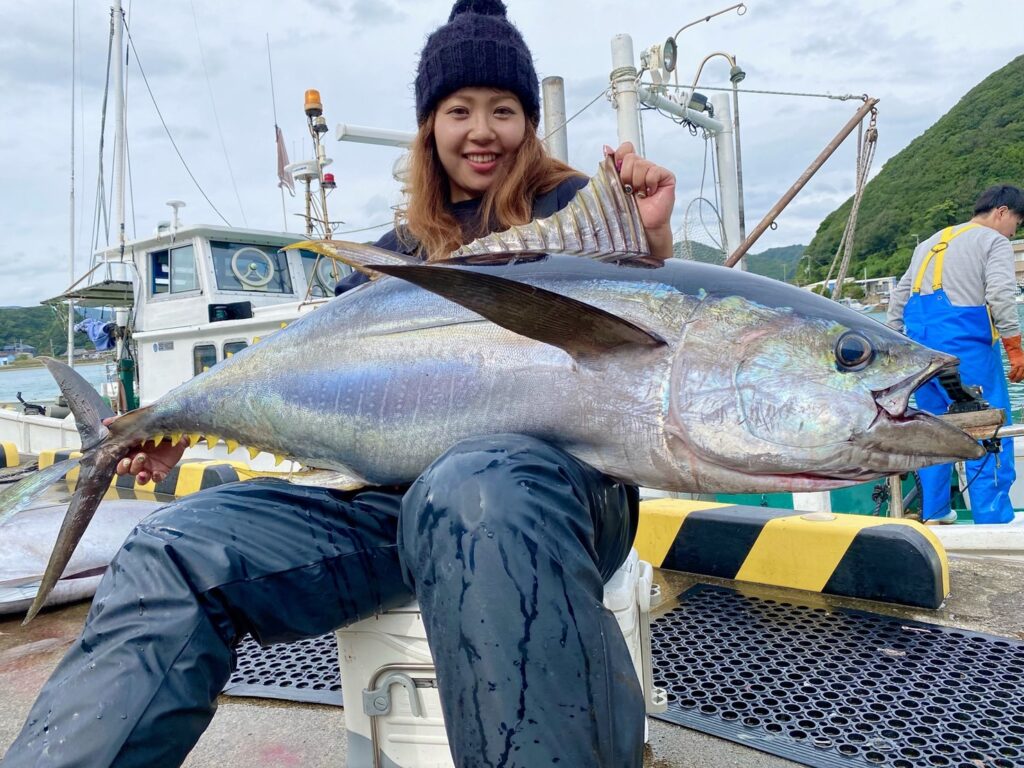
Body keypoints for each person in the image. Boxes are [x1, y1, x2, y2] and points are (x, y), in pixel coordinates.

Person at [3, 1, 676, 766]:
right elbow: (321, 381)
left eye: (504, 110)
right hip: (395, 503)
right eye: (460, 110)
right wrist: (180, 421)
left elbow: (651, 351)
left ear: (529, 123)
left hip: (555, 502)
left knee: (474, 482)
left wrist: (649, 245)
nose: (482, 130)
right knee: (174, 545)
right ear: (431, 125)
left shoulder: (579, 213)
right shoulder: (395, 253)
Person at [887, 185, 1024, 525]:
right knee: (988, 428)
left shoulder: (928, 243)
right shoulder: (994, 242)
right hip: (969, 350)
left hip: (922, 352)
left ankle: (935, 513)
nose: (1013, 232)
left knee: (934, 429)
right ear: (1002, 212)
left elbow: (899, 297)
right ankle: (992, 518)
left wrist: (892, 342)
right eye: (1016, 224)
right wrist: (1014, 347)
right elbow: (1002, 294)